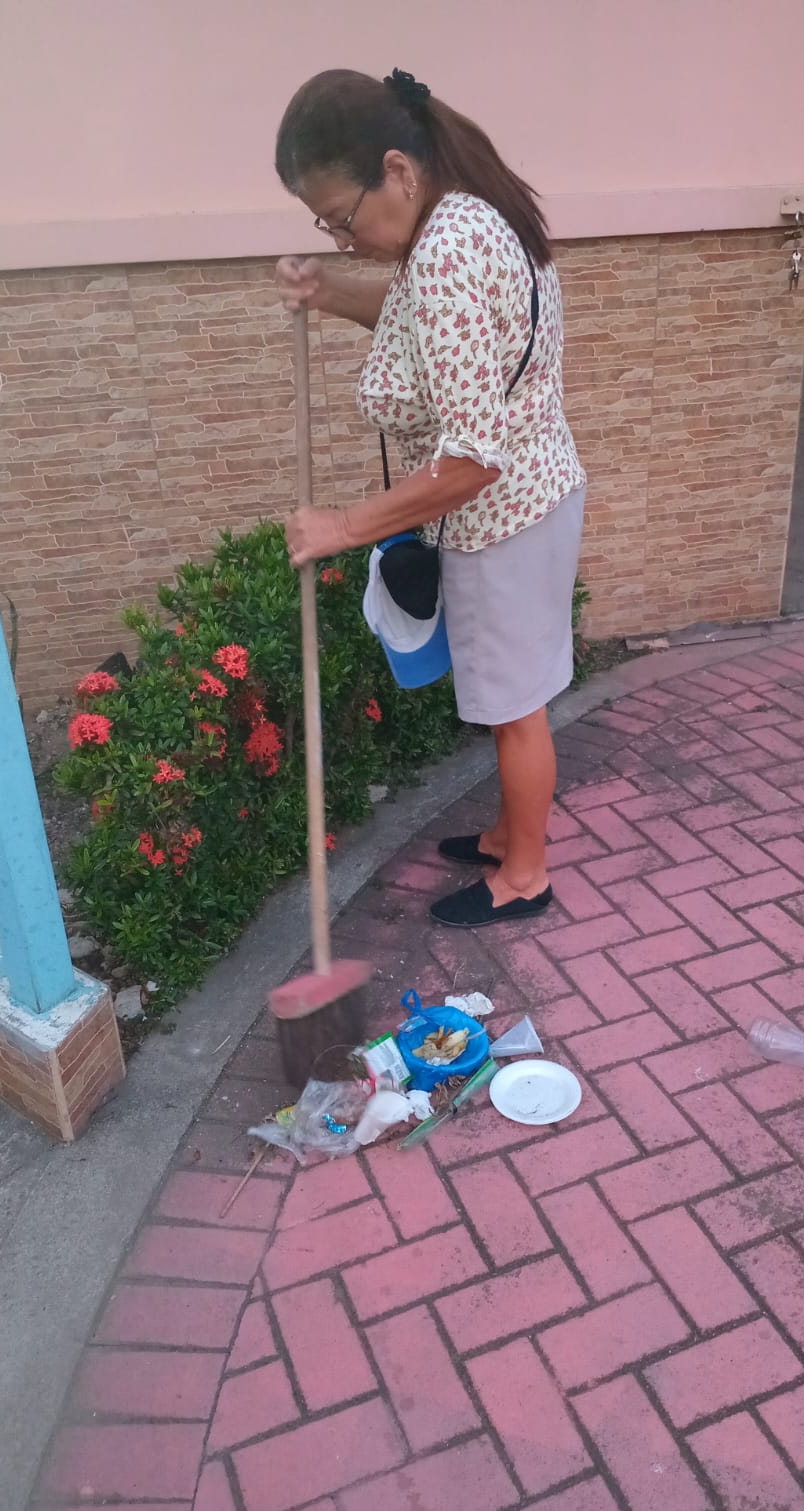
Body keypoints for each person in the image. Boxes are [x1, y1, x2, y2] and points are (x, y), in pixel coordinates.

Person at [273, 68, 587, 929]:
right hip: (539, 494)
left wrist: (342, 527)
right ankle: (510, 835)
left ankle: (525, 876)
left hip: (500, 519)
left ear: (397, 171)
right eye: (327, 228)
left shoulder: (446, 246)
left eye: (342, 218)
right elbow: (425, 323)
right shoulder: (470, 215)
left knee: (515, 710)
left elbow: (472, 458)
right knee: (516, 699)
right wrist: (327, 293)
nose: (343, 241)